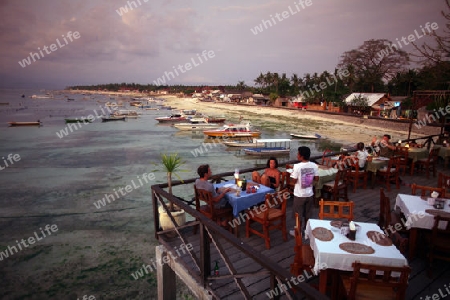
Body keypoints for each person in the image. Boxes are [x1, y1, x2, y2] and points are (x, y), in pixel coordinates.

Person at [289, 146, 319, 236]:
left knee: (298, 215)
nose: (297, 155)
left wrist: (292, 174)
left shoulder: (297, 166)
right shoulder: (314, 165)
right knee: (307, 214)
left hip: (299, 195)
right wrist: (308, 180)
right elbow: (317, 178)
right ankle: (306, 231)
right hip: (309, 194)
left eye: (298, 154)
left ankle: (298, 232)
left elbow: (293, 181)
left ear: (301, 156)